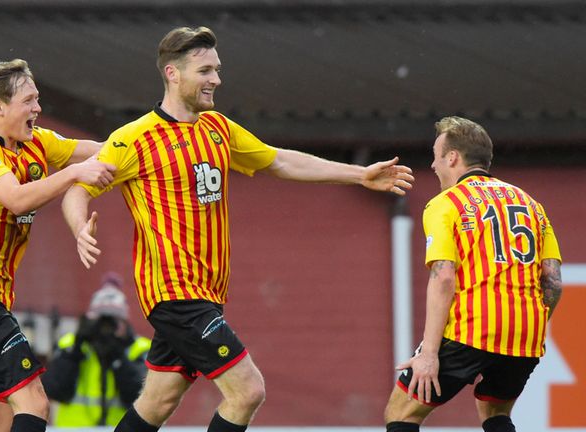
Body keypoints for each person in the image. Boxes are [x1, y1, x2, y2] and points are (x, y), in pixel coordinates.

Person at [61, 27, 415, 432]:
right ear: (173, 74)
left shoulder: (217, 128)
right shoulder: (134, 138)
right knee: (247, 391)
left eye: (217, 69)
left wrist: (359, 175)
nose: (216, 79)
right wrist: (78, 228)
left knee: (159, 400)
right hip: (176, 294)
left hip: (207, 294)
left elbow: (279, 161)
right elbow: (78, 188)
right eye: (205, 70)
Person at [0, 59, 116, 432]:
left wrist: (151, 147)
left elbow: (103, 150)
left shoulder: (36, 144)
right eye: (29, 100)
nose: (38, 108)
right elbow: (15, 199)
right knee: (34, 402)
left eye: (38, 99)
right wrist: (72, 174)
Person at [383, 116, 563, 432]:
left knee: (401, 413)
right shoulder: (531, 204)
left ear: (452, 157)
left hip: (472, 328)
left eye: (437, 155)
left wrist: (429, 353)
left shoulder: (445, 204)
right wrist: (527, 325)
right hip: (526, 334)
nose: (434, 164)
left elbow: (443, 277)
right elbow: (553, 281)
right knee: (495, 414)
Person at [42, 272, 151, 427]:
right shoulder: (70, 345)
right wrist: (77, 348)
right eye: (102, 320)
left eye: (113, 321)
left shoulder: (139, 349)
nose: (106, 327)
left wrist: (119, 357)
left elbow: (142, 399)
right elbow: (54, 390)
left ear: (124, 322)